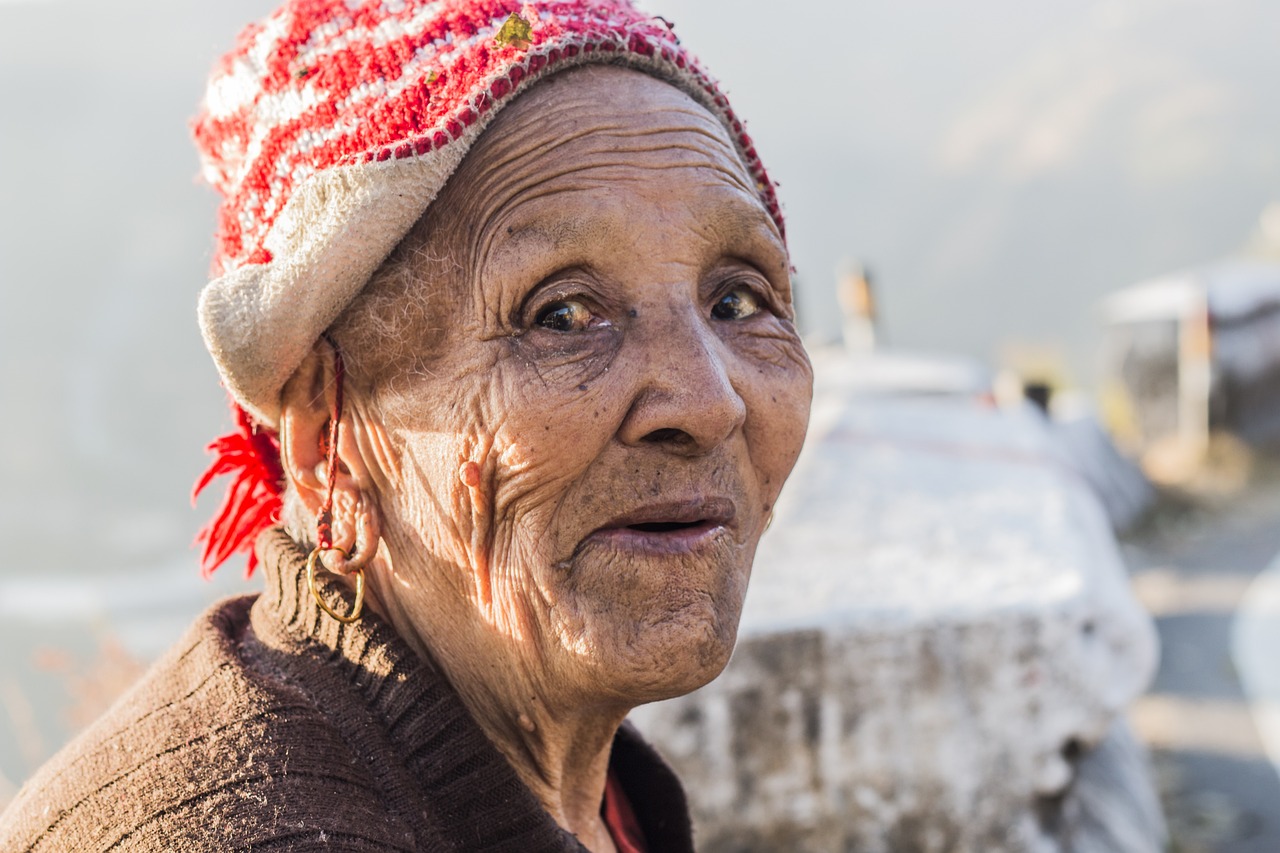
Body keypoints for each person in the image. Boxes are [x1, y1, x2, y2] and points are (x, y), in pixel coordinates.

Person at [0, 1, 812, 850]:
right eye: (563, 314)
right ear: (324, 430)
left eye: (737, 300)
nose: (708, 401)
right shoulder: (245, 829)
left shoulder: (603, 802)